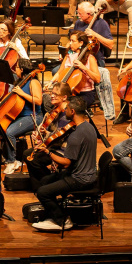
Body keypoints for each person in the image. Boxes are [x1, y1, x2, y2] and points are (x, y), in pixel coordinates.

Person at [31, 96, 97, 232]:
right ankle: (53, 214)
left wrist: (48, 153)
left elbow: (66, 163)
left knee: (42, 192)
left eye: (66, 109)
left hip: (79, 179)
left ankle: (62, 220)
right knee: (44, 181)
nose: (64, 111)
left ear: (72, 111)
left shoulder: (76, 135)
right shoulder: (89, 127)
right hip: (89, 174)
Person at [25, 81, 73, 191]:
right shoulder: (55, 111)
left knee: (34, 160)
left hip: (62, 149)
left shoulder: (67, 114)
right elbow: (50, 131)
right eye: (52, 93)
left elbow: (59, 136)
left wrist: (46, 134)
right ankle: (42, 185)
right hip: (53, 145)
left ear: (64, 97)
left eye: (55, 94)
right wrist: (40, 132)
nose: (51, 96)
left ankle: (48, 184)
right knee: (27, 154)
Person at [0, 58, 44, 172]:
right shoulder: (20, 82)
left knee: (10, 132)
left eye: (17, 67)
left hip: (33, 117)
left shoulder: (33, 82)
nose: (15, 70)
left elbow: (38, 101)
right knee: (1, 127)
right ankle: (8, 157)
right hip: (20, 116)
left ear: (22, 69)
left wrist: (22, 93)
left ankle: (12, 161)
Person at [49, 32, 101, 107]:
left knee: (70, 105)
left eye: (73, 41)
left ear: (81, 43)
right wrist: (51, 82)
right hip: (68, 93)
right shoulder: (68, 56)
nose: (70, 43)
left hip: (85, 94)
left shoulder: (90, 58)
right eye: (70, 40)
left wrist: (84, 68)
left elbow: (97, 79)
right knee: (50, 102)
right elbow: (59, 73)